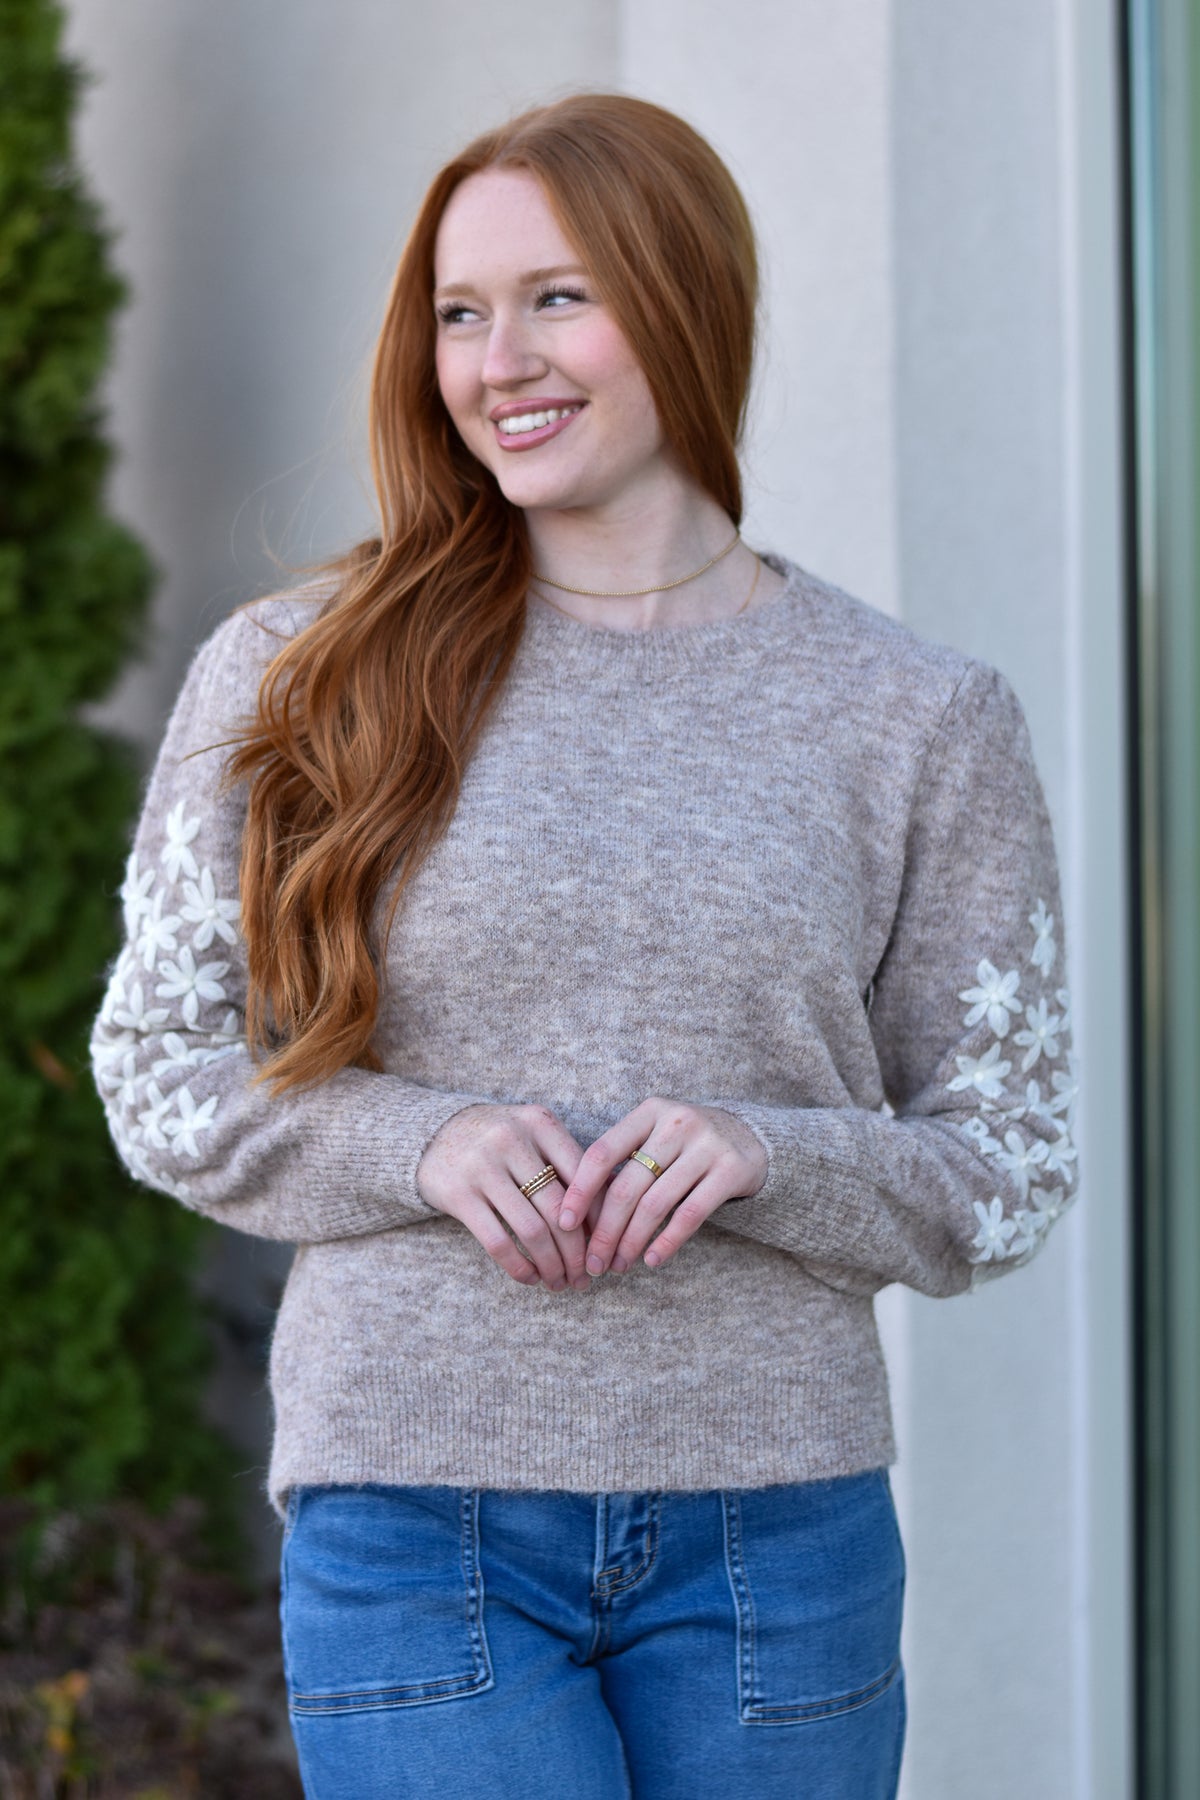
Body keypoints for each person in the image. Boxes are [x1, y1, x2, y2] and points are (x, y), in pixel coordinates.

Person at [90, 91, 1079, 1800]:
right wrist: (422, 1141)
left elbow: (1012, 1163)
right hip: (412, 1511)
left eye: (559, 297)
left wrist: (767, 1154)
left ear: (689, 300)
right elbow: (155, 1070)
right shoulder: (299, 672)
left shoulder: (919, 717)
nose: (500, 363)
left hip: (780, 1538)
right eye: (460, 314)